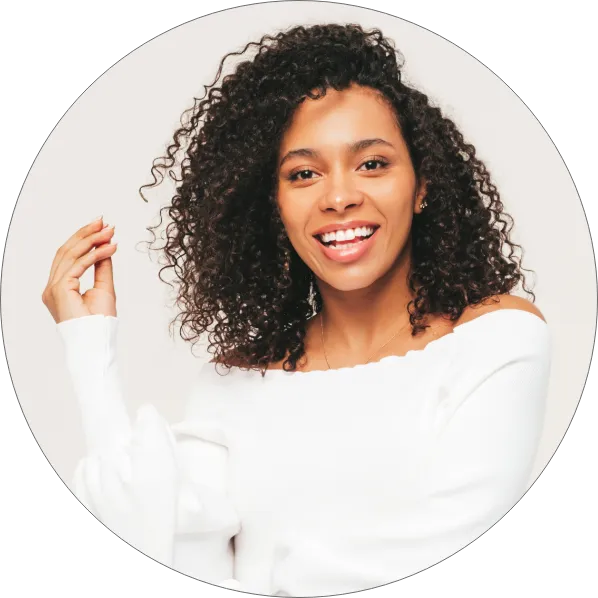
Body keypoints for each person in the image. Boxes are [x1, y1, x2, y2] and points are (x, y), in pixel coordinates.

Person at [42, 23, 551, 595]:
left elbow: (434, 552)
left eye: (372, 164)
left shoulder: (496, 340)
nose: (339, 197)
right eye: (304, 173)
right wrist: (89, 348)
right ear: (274, 205)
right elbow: (159, 542)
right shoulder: (230, 383)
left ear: (422, 185)